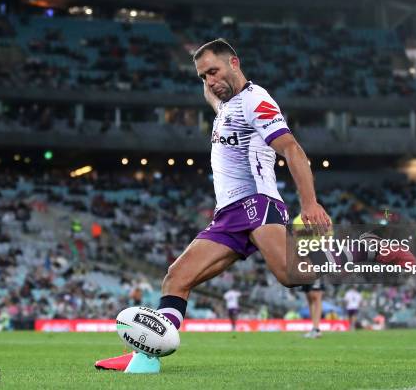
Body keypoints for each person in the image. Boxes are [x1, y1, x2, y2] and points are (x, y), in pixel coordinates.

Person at [95, 38, 331, 373]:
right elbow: (212, 95)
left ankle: (367, 251)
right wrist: (189, 54)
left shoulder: (255, 99)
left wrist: (309, 204)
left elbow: (291, 149)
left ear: (234, 62)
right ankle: (145, 360)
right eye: (203, 76)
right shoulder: (225, 107)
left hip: (256, 204)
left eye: (214, 71)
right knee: (176, 278)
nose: (210, 81)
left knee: (291, 275)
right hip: (229, 214)